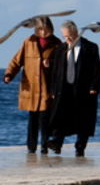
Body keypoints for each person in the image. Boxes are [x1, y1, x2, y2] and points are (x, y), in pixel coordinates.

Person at [3, 16, 62, 154]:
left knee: (45, 120)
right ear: (36, 29)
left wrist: (50, 65)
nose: (43, 32)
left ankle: (44, 147)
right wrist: (9, 74)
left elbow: (61, 68)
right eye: (40, 29)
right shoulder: (28, 42)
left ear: (50, 28)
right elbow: (17, 60)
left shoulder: (57, 44)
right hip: (31, 88)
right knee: (32, 120)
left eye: (45, 29)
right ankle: (31, 147)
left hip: (47, 88)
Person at [46, 20, 100, 157]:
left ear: (76, 32)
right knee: (60, 117)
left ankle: (80, 147)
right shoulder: (60, 49)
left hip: (83, 90)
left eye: (70, 36)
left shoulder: (91, 48)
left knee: (84, 120)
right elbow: (55, 72)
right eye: (65, 37)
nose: (68, 39)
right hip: (63, 90)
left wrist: (94, 87)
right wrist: (53, 90)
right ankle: (57, 143)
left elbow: (97, 69)